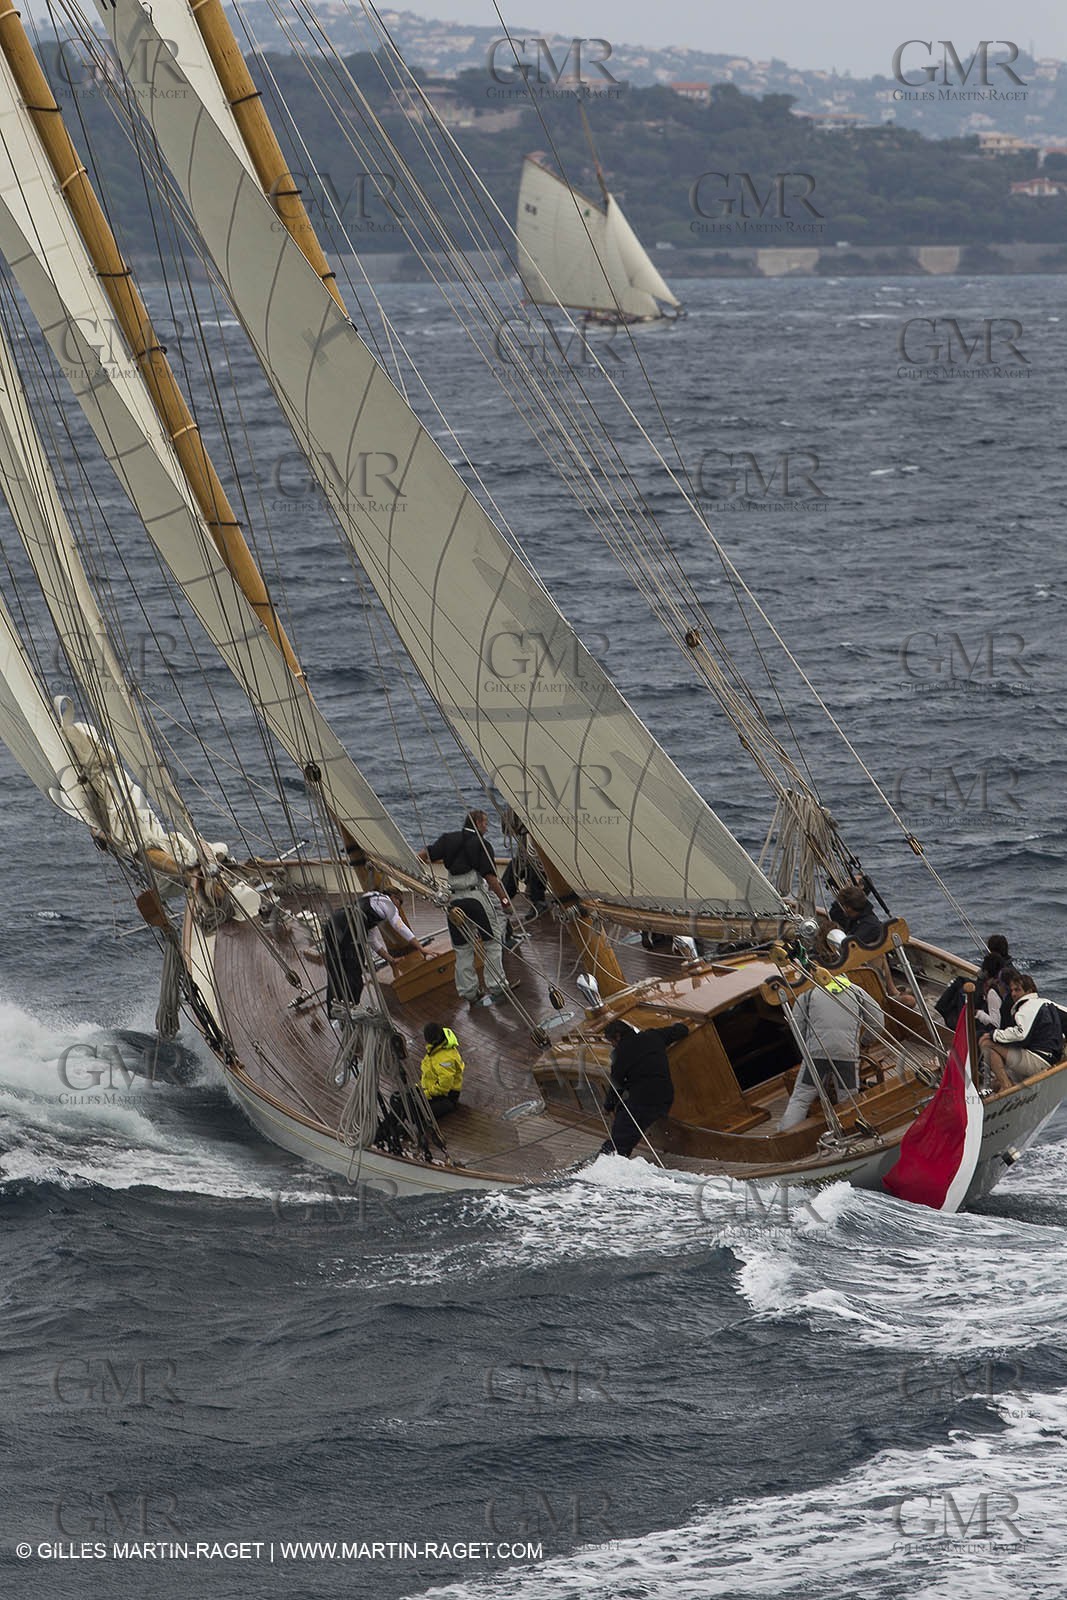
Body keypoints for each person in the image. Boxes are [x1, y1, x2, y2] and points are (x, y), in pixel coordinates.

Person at [419, 810, 513, 1004]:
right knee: (493, 941)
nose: (487, 827)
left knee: (462, 948)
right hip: (475, 896)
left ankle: (469, 993)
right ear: (477, 822)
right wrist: (504, 901)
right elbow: (490, 877)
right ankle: (497, 986)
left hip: (453, 901)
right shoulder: (482, 844)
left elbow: (424, 855)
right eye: (485, 823)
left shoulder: (447, 839)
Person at [779, 971, 884, 1131]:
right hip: (847, 1055)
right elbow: (878, 1023)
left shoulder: (807, 993)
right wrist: (863, 1043)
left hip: (816, 1055)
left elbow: (797, 1026)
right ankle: (852, 1132)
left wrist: (808, 1047)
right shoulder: (856, 991)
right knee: (848, 1100)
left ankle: (785, 1136)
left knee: (801, 1098)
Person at [323, 888, 423, 1017]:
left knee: (335, 969)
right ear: (393, 897)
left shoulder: (370, 900)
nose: (399, 906)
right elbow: (399, 926)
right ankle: (353, 1009)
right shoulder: (387, 902)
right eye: (400, 901)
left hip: (334, 923)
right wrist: (421, 948)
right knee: (354, 971)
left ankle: (333, 1012)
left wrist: (391, 959)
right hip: (351, 926)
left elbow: (373, 941)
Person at [599, 1016, 688, 1157]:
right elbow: (682, 1030)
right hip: (666, 1096)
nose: (613, 1046)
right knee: (626, 1112)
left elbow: (617, 1086)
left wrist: (608, 1106)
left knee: (622, 1132)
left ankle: (609, 1160)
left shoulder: (620, 1055)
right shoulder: (653, 1036)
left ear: (617, 1036)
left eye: (612, 1042)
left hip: (645, 1102)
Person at [980, 971, 1064, 1090]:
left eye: (1017, 990)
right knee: (995, 1083)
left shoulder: (1027, 1006)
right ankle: (1003, 1083)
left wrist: (993, 1034)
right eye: (1012, 990)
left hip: (1038, 1060)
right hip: (1051, 1059)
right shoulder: (1048, 1003)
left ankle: (1006, 1087)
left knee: (987, 1044)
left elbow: (1021, 1034)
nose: (1013, 994)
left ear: (1029, 991)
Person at [419, 1022, 466, 1118]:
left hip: (446, 1096)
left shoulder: (445, 1059)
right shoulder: (434, 1050)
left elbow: (444, 1087)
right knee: (398, 1099)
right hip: (432, 1090)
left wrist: (425, 1094)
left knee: (418, 1113)